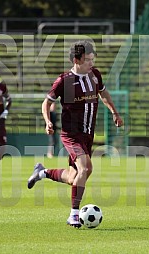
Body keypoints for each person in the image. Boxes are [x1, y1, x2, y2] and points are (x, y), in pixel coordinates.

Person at [27, 40, 123, 228]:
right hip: (71, 134)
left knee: (74, 176)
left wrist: (114, 112)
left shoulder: (95, 75)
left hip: (88, 134)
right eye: (88, 60)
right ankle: (74, 215)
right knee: (85, 168)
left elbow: (103, 94)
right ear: (76, 60)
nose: (91, 63)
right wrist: (48, 121)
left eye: (93, 59)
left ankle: (43, 172)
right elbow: (46, 103)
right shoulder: (64, 81)